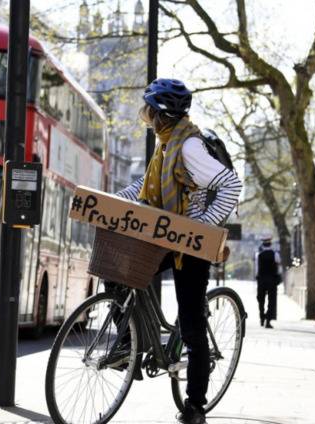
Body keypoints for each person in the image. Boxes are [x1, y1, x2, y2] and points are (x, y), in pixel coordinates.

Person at [116, 78, 242, 424]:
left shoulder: (188, 147)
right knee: (118, 273)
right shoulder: (166, 144)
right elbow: (146, 185)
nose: (144, 115)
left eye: (147, 109)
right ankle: (125, 346)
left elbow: (230, 184)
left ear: (159, 113)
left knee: (191, 324)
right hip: (164, 235)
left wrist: (201, 226)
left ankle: (195, 406)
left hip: (190, 246)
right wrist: (111, 200)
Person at [254, 236, 281, 329]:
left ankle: (262, 317)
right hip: (272, 280)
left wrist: (257, 278)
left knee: (261, 299)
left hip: (261, 280)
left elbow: (257, 269)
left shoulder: (258, 255)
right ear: (270, 243)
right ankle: (268, 320)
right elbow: (278, 267)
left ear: (263, 244)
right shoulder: (275, 254)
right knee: (272, 300)